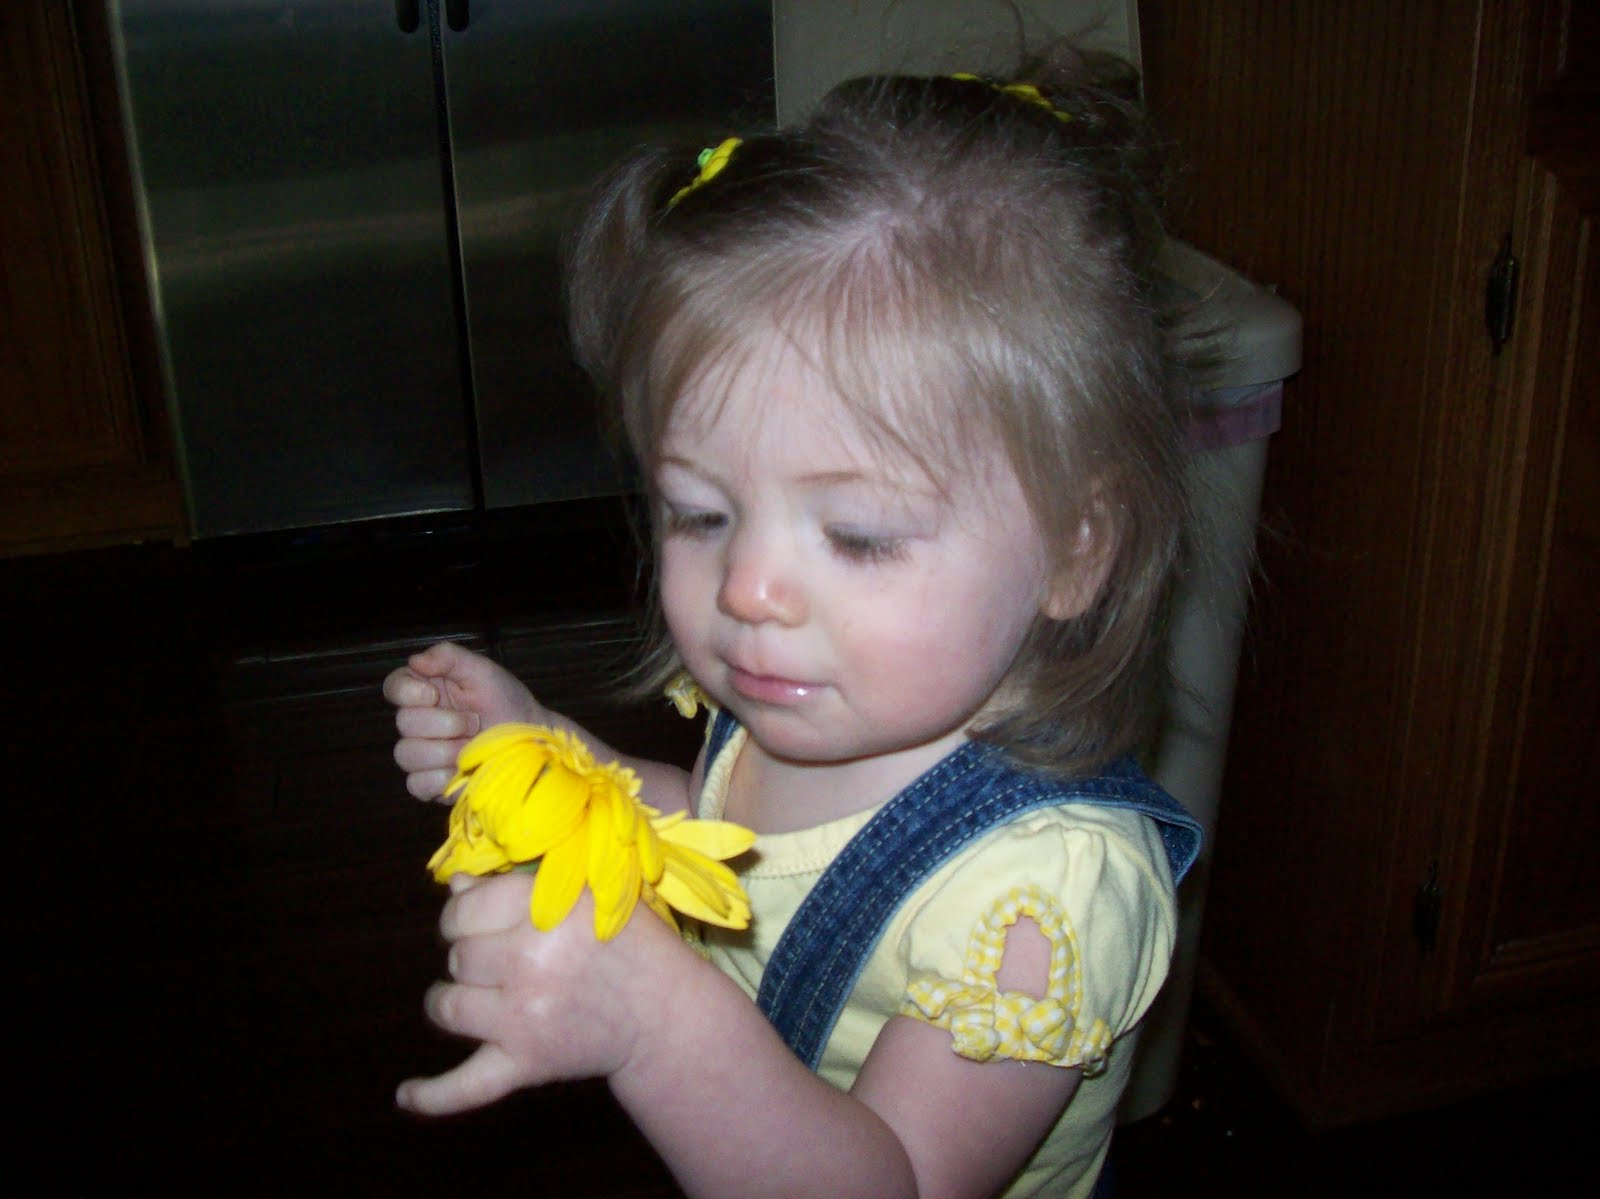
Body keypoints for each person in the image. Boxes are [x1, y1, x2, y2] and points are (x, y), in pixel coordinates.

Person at [383, 58, 1202, 1199]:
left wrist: (655, 1023)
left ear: (1077, 547)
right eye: (700, 513)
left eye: (859, 535)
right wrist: (556, 757)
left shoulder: (1042, 895)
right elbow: (735, 841)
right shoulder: (819, 691)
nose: (748, 589)